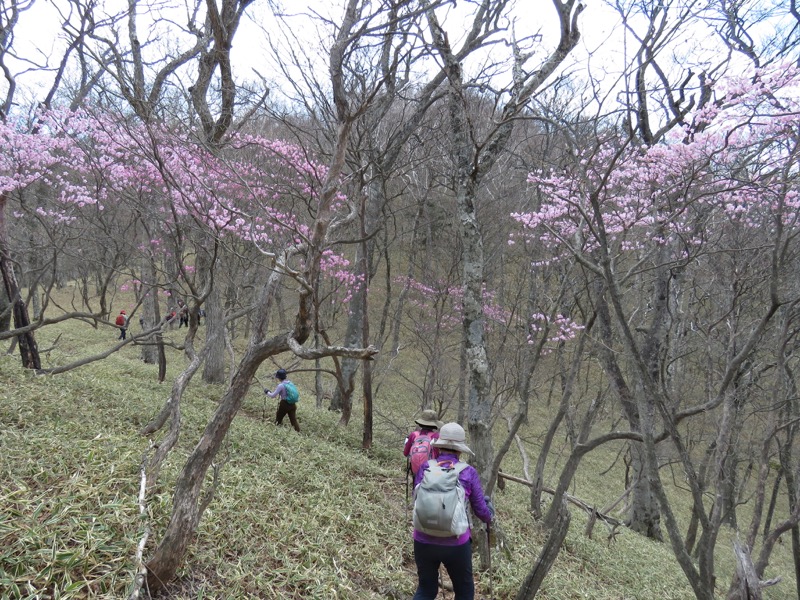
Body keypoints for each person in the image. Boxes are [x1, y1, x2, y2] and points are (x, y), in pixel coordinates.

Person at [411, 422, 494, 600]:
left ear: (439, 446)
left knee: (425, 589)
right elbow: (481, 511)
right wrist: (490, 513)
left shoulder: (426, 467)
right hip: (455, 543)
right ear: (460, 449)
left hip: (423, 539)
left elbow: (416, 496)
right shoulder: (468, 472)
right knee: (464, 592)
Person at [403, 409, 441, 476]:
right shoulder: (436, 436)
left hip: (415, 470)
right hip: (430, 471)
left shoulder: (413, 435)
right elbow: (438, 455)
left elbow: (406, 453)